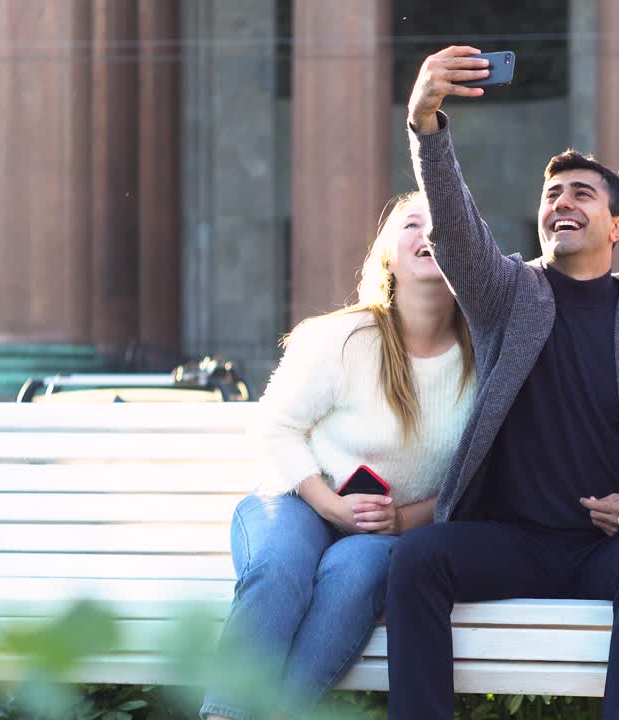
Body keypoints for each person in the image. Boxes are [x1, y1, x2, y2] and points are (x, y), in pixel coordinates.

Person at [383, 46, 619, 720]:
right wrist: (426, 124)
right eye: (552, 193)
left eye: (582, 193)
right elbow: (458, 233)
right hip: (512, 542)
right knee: (417, 560)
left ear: (618, 226)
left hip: (606, 549)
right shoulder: (510, 294)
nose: (562, 202)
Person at [199, 192, 476, 720]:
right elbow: (276, 428)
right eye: (412, 224)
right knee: (281, 566)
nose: (428, 235)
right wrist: (328, 505)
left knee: (354, 578)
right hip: (297, 498)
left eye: (443, 225)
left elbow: (482, 476)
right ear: (388, 255)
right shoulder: (343, 337)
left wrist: (402, 519)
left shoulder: (484, 358)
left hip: (389, 529)